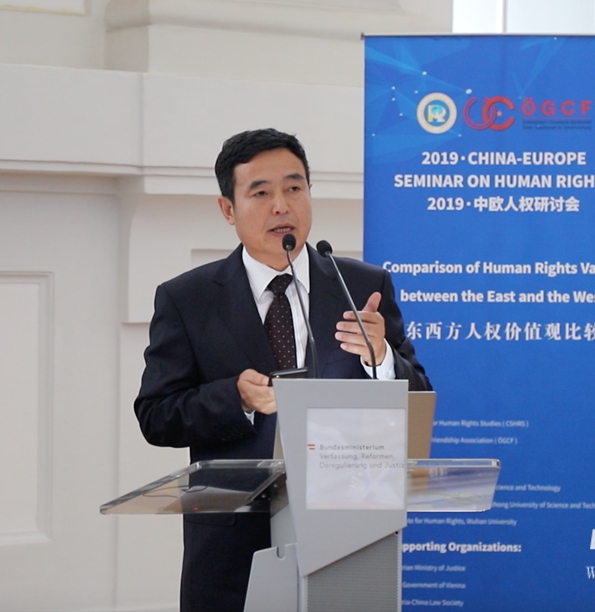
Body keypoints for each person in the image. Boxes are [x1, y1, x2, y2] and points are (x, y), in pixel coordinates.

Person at [134, 128, 431, 612]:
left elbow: (417, 397)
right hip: (232, 550)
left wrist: (380, 358)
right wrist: (235, 399)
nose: (281, 205)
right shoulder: (188, 298)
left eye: (294, 188)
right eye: (261, 192)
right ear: (228, 208)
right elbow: (156, 415)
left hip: (349, 535)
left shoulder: (361, 286)